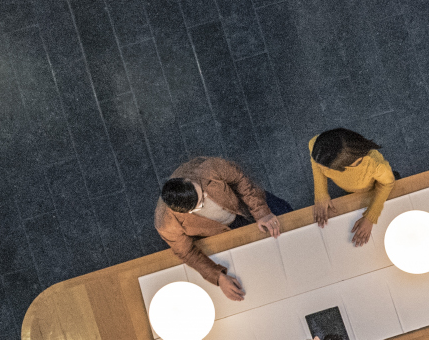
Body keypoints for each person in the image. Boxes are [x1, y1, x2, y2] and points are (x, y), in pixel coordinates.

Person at [154, 157, 294, 301]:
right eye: (202, 203)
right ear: (187, 212)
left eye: (201, 190)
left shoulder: (209, 167)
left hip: (243, 203)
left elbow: (240, 179)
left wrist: (261, 212)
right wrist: (218, 277)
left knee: (289, 220)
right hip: (221, 230)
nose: (206, 196)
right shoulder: (166, 223)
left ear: (188, 180)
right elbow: (187, 253)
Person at [309, 127, 396, 246]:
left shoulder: (375, 167)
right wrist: (321, 193)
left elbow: (387, 183)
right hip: (351, 188)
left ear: (346, 167)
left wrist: (370, 217)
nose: (321, 169)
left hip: (371, 189)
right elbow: (316, 164)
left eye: (326, 168)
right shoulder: (317, 145)